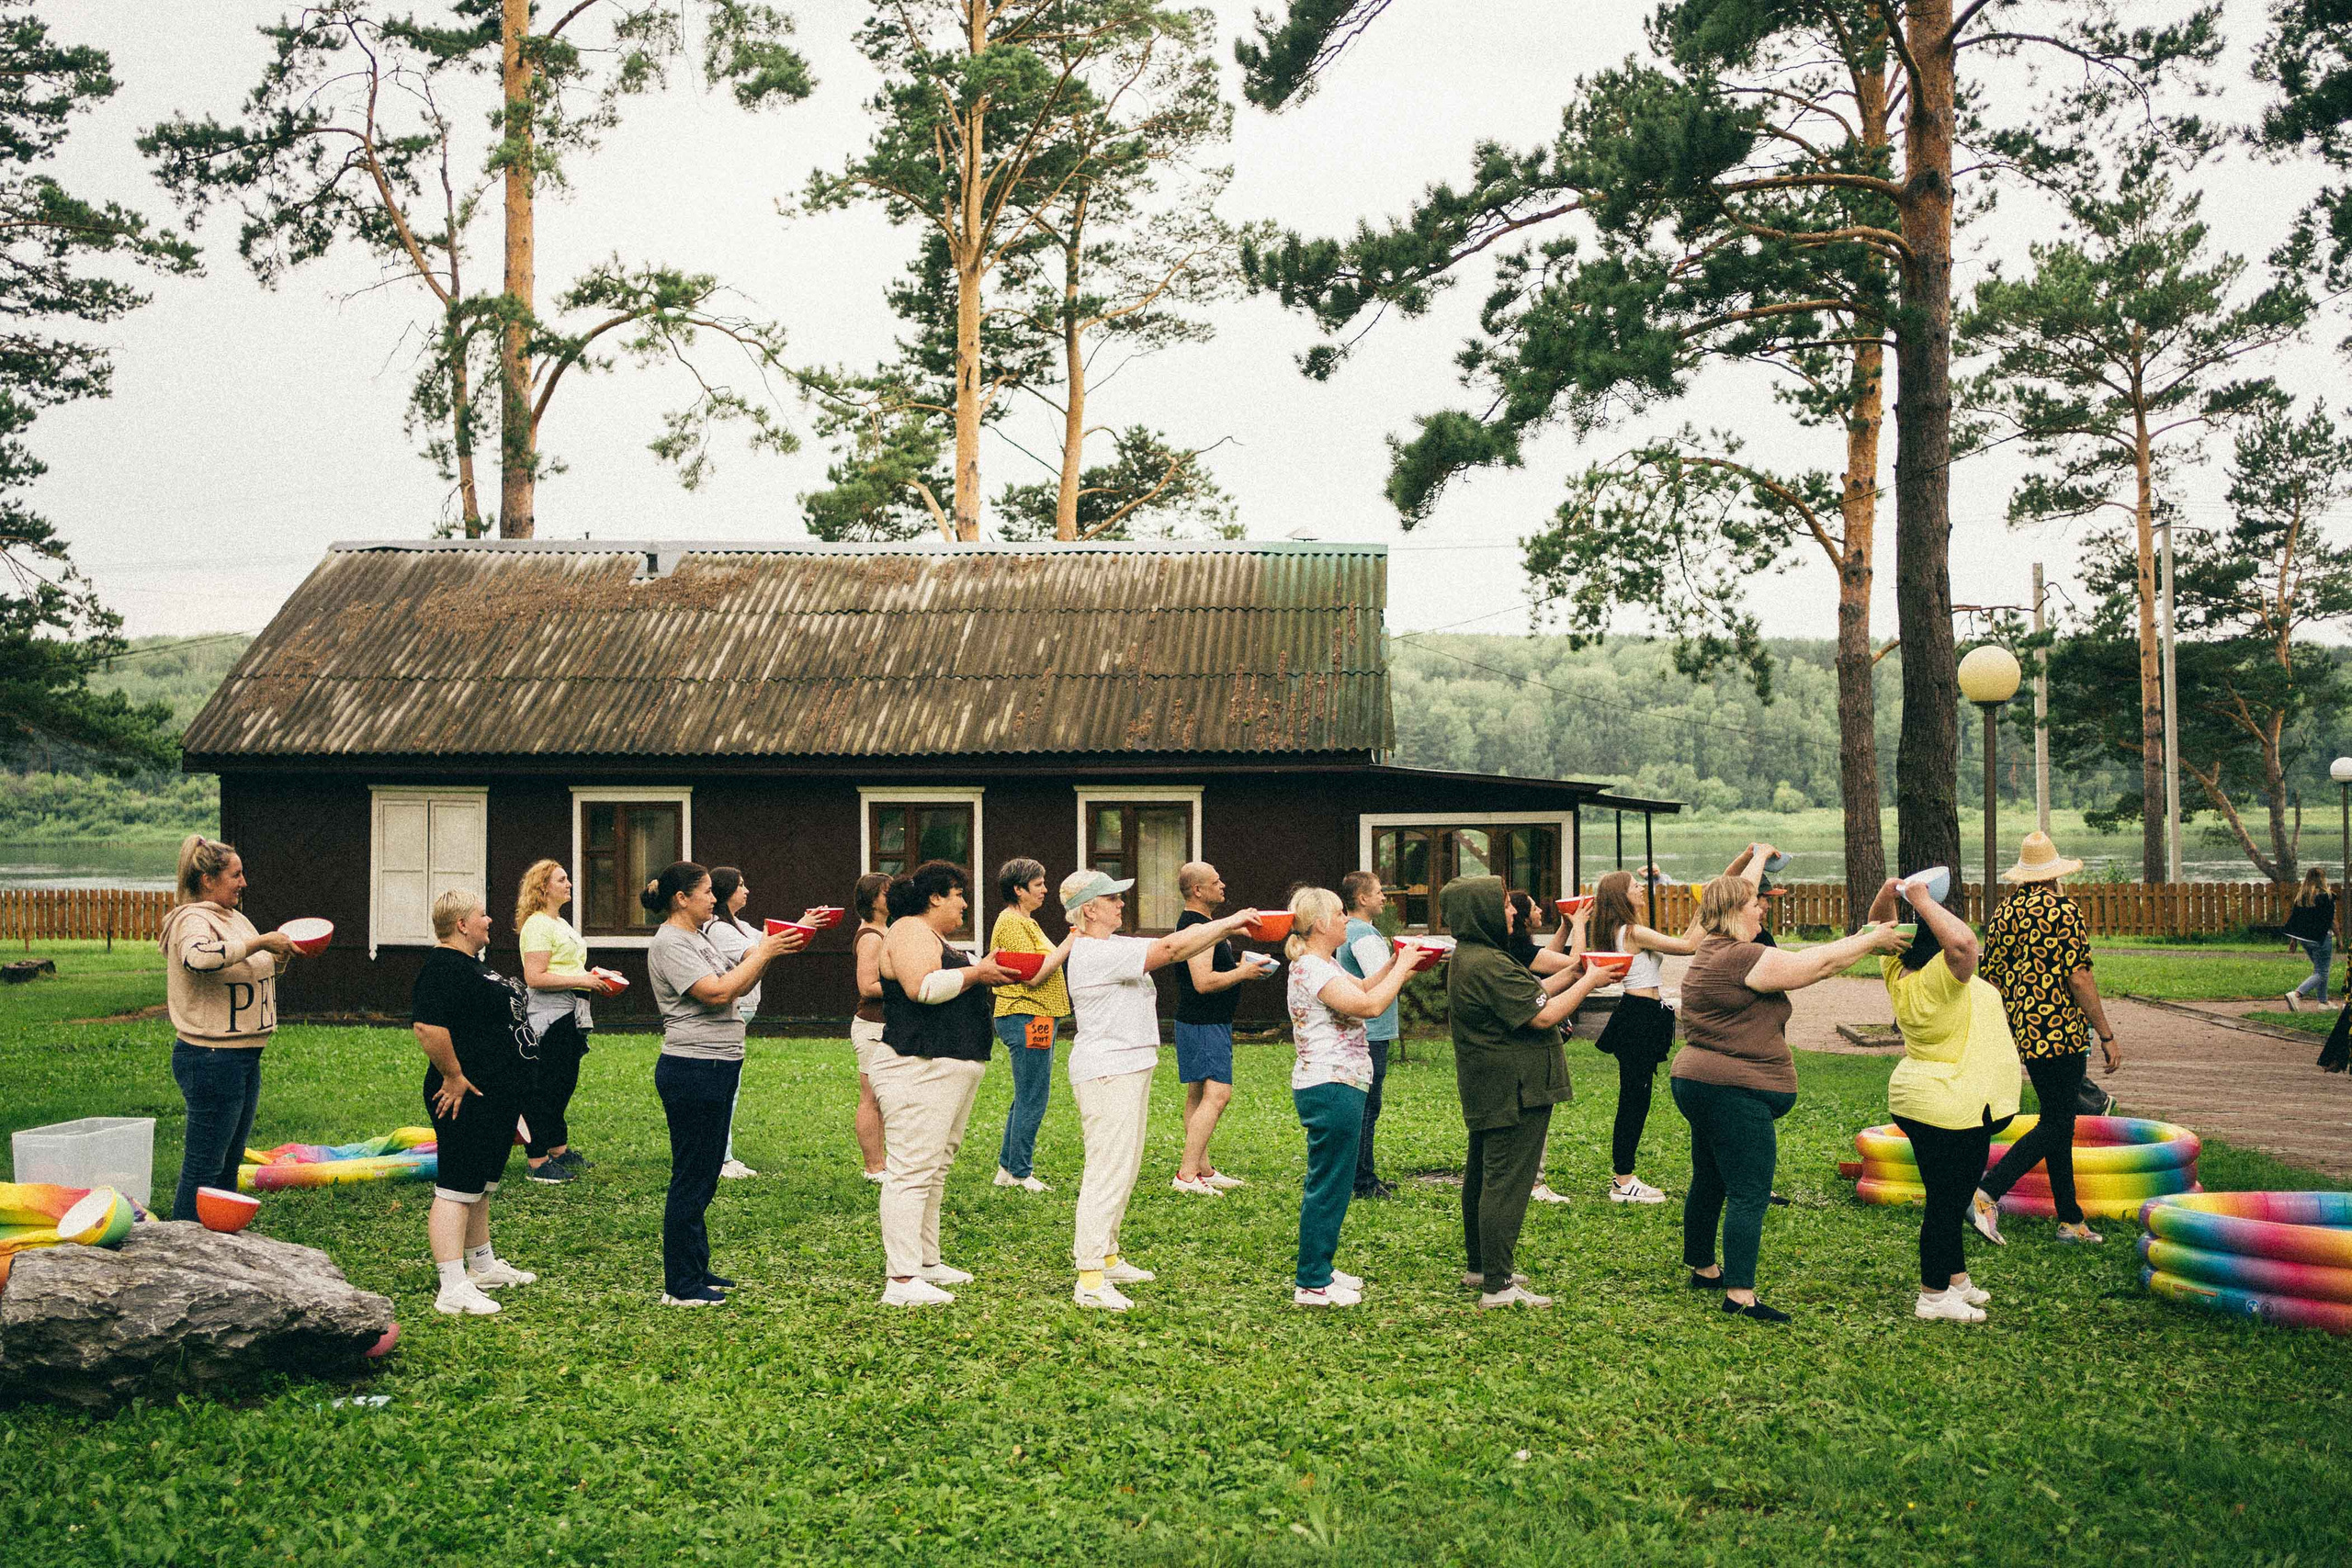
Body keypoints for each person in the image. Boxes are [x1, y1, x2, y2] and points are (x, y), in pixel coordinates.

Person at [1673, 872, 1905, 1323]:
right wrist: (1867, 942)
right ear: (1734, 911)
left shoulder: (1713, 951)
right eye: (1755, 903)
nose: (1763, 908)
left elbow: (1821, 962)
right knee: (1749, 1192)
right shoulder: (1741, 955)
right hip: (1732, 1090)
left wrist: (1864, 940)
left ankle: (1704, 1269)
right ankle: (1740, 1294)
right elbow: (1809, 967)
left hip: (1701, 1081)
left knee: (1710, 1178)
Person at [1061, 868, 1260, 1311]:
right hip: (1107, 1071)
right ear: (1089, 909)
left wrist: (1224, 935)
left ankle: (1108, 1257)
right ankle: (1090, 1278)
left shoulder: (1111, 945)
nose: (1121, 904)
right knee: (1106, 1172)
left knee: (1125, 1168)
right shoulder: (1093, 952)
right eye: (1112, 899)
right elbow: (1171, 947)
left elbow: (1180, 946)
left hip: (1129, 1066)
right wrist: (1230, 922)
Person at [1442, 874, 1613, 1309]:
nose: (1513, 911)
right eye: (1503, 905)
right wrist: (1589, 984)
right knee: (1506, 1183)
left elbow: (1531, 996)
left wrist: (1578, 970)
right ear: (1481, 912)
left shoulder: (1476, 955)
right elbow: (1544, 1016)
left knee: (1483, 1176)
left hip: (1492, 1085)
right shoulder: (1489, 963)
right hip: (1514, 1088)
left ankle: (1481, 1267)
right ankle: (1497, 1286)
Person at [643, 861, 801, 1306]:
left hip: (716, 1064)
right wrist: (764, 954)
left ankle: (696, 1267)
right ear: (682, 899)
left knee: (706, 1173)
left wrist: (772, 945)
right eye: (708, 892)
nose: (715, 898)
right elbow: (715, 992)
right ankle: (680, 1285)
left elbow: (742, 970)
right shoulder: (671, 942)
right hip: (692, 1067)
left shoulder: (697, 937)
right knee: (691, 1176)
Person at [1869, 874, 2021, 1323]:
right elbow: (1963, 943)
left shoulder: (1897, 971)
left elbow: (1877, 924)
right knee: (1946, 1203)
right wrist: (1918, 897)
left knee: (1947, 1195)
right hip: (1951, 1103)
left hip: (1919, 1097)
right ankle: (1933, 1298)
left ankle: (1955, 1279)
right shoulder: (1944, 978)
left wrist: (1891, 892)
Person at [873, 860, 1019, 1306]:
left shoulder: (933, 936)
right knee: (912, 1171)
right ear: (935, 896)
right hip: (919, 1066)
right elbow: (923, 988)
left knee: (935, 1168)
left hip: (949, 1065)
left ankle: (926, 1261)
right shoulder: (909, 930)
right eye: (958, 894)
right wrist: (978, 972)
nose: (965, 903)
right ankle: (900, 1281)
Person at [1973, 830, 2121, 1246]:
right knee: (2057, 1122)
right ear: (2054, 874)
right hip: (2065, 1033)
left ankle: (2071, 1220)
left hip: (2027, 1033)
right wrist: (2106, 1034)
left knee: (2059, 1121)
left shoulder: (2004, 914)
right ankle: (1986, 1193)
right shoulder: (2063, 911)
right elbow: (2080, 976)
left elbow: (1993, 977)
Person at [1283, 886, 1419, 1306]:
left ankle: (1320, 1266)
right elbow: (1369, 1007)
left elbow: (1363, 988)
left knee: (1337, 1183)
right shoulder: (1311, 969)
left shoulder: (1323, 963)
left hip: (1341, 1084)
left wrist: (1398, 963)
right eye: (1341, 913)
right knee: (1327, 1185)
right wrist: (1402, 970)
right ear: (1321, 923)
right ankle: (1310, 1282)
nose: (1347, 919)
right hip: (1330, 1086)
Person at [412, 889, 539, 1316]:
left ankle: (482, 1267)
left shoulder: (472, 966)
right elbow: (428, 1027)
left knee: (480, 1186)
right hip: (465, 1095)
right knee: (456, 1188)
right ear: (462, 924)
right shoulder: (443, 966)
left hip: (497, 1095)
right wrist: (453, 1075)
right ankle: (452, 1285)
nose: (490, 920)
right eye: (482, 915)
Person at [160, 834, 293, 1224]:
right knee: (204, 1167)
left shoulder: (234, 918)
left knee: (228, 1164)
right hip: (210, 1059)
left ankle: (216, 1248)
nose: (243, 882)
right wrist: (259, 943)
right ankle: (181, 1247)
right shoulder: (191, 920)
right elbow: (198, 958)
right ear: (208, 880)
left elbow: (248, 969)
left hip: (243, 1058)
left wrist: (277, 957)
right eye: (235, 875)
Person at [1587, 868, 1705, 1204]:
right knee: (1634, 1102)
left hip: (1642, 1016)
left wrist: (1700, 908)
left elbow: (1684, 941)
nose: (1641, 890)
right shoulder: (1633, 931)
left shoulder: (1625, 929)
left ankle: (1624, 1178)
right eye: (1635, 886)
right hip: (1638, 1017)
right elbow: (1689, 946)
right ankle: (1623, 1181)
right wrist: (1708, 906)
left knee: (1636, 1099)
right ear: (1621, 896)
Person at [699, 867, 824, 1181]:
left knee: (731, 1085)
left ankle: (720, 1154)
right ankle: (721, 1158)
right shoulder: (720, 930)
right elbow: (760, 953)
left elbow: (773, 941)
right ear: (727, 892)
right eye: (741, 885)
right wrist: (800, 928)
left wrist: (803, 925)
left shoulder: (739, 925)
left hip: (742, 1013)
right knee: (727, 1086)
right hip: (732, 1011)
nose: (747, 891)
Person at [1170, 861, 1276, 1196]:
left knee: (1199, 1093)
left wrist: (1236, 933)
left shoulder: (1207, 925)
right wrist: (1243, 973)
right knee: (1218, 1094)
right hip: (1203, 1021)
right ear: (1198, 891)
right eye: (1216, 882)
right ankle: (1186, 1175)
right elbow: (1202, 982)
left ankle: (1202, 1169)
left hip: (1202, 1021)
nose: (1223, 885)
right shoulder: (1194, 927)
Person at [989, 857, 1076, 1193]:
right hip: (1027, 1015)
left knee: (1027, 1094)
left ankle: (1008, 1169)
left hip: (1036, 1015)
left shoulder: (1027, 922)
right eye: (1038, 884)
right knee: (1033, 1097)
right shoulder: (1012, 923)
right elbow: (1035, 976)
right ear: (1018, 889)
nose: (1045, 890)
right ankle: (1020, 1173)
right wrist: (1071, 940)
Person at [514, 859, 601, 1187]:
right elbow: (534, 977)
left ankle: (558, 1149)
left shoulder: (559, 922)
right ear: (543, 887)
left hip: (571, 1009)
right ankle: (537, 1162)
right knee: (545, 1087)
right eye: (562, 880)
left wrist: (590, 977)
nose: (569, 884)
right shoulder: (537, 925)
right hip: (549, 1013)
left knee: (563, 1082)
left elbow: (567, 967)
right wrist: (583, 979)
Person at [1336, 871, 1401, 1199]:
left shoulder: (1355, 931)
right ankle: (1361, 1181)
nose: (1384, 897)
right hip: (1371, 1032)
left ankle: (1361, 1174)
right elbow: (1381, 979)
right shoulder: (1362, 934)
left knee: (1364, 1104)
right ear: (1362, 899)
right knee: (1367, 1106)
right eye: (1378, 892)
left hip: (1365, 1030)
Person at [848, 872, 893, 1180]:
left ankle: (883, 1163)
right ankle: (873, 1167)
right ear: (872, 900)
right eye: (886, 891)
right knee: (871, 1097)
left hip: (884, 1026)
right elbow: (867, 986)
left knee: (884, 1096)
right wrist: (906, 984)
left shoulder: (883, 929)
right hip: (871, 1026)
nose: (893, 896)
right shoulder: (871, 937)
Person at [2283, 867, 2336, 1010]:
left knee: (2319, 970)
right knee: (2322, 972)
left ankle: (2323, 1002)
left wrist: (2293, 941)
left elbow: (2296, 920)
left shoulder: (2302, 897)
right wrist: (2340, 937)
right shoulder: (2327, 896)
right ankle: (2297, 994)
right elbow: (2331, 920)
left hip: (2304, 940)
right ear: (2323, 879)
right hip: (2321, 938)